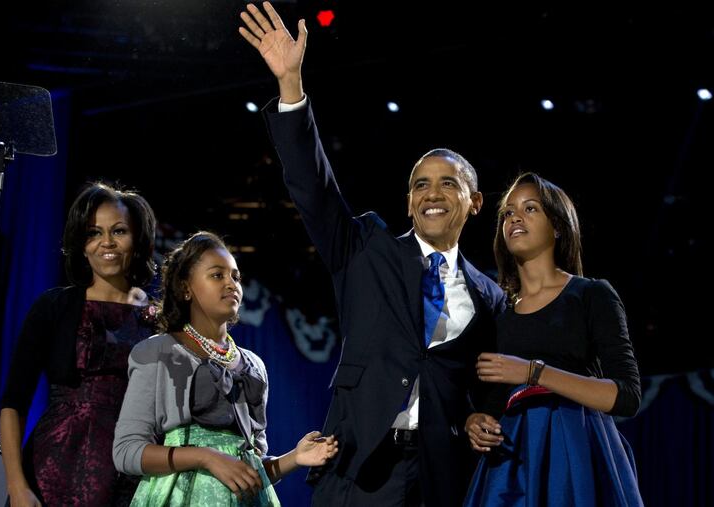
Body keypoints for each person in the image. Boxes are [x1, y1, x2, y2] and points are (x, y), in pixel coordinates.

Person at [239, 3, 506, 505]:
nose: (432, 193)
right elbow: (314, 190)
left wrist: (475, 415)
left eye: (448, 184)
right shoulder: (365, 249)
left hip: (441, 477)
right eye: (420, 184)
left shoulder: (489, 297)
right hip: (360, 470)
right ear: (408, 201)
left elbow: (483, 385)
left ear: (474, 203)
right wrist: (291, 87)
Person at [112, 231, 338, 506]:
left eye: (236, 277)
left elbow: (251, 471)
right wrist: (205, 456)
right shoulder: (157, 351)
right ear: (185, 287)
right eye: (217, 275)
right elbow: (126, 452)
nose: (232, 284)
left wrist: (294, 458)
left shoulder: (254, 367)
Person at [463, 172, 643, 506]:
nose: (515, 217)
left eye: (530, 208)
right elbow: (490, 403)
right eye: (507, 213)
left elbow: (627, 397)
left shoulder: (592, 294)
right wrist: (475, 421)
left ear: (558, 226)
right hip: (512, 465)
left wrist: (534, 372)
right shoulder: (497, 316)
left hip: (577, 451)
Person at [0, 181, 159, 506]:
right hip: (53, 469)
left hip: (131, 472)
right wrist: (17, 487)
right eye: (93, 233)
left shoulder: (161, 320)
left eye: (118, 231)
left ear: (138, 239)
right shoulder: (53, 307)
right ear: (81, 244)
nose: (106, 243)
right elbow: (13, 403)